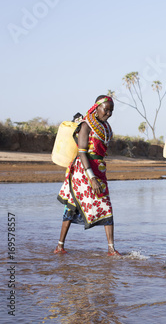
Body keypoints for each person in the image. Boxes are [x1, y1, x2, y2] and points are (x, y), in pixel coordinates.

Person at [54, 95, 120, 256]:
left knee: (106, 206)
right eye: (106, 109)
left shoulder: (105, 127)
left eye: (111, 110)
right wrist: (91, 178)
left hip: (99, 169)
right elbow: (82, 152)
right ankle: (60, 246)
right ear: (96, 108)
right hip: (83, 171)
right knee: (72, 206)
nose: (109, 113)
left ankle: (111, 249)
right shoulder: (86, 125)